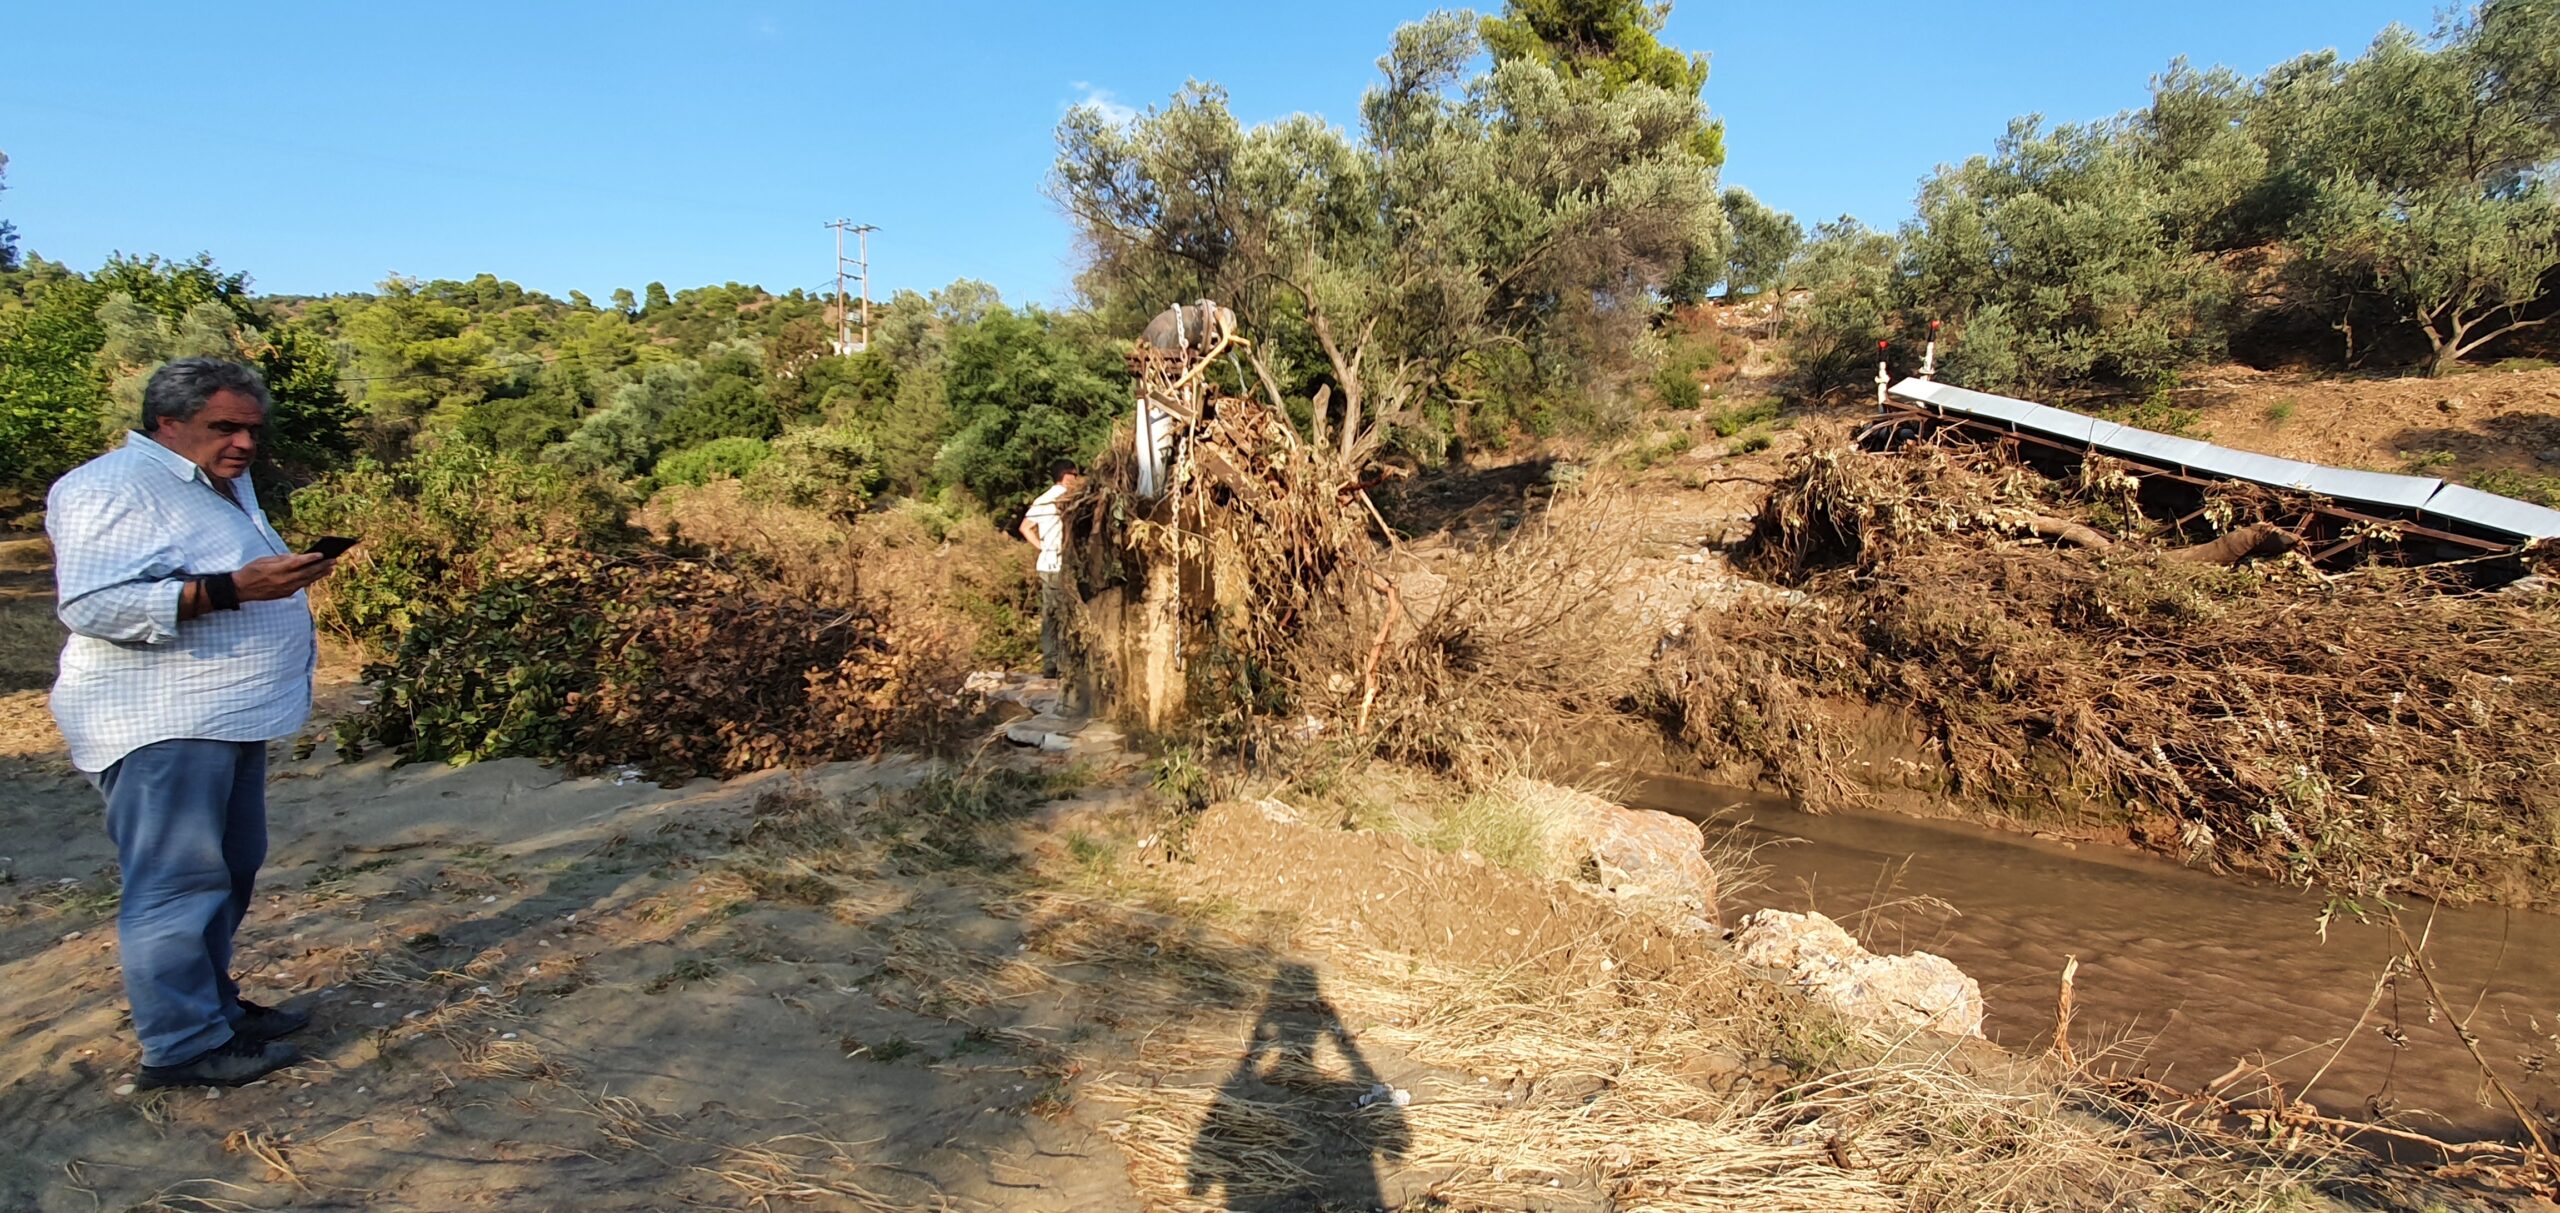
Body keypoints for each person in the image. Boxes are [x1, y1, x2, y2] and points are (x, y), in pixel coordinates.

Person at [48, 357, 340, 1089]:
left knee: (230, 867)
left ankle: (214, 1009)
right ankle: (181, 1046)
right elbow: (92, 606)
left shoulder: (221, 483)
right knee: (176, 884)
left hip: (222, 712)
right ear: (167, 421)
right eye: (224, 427)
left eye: (250, 428)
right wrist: (231, 589)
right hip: (157, 719)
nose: (243, 442)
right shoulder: (109, 487)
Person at [1018, 460, 1083, 681]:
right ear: (1067, 476)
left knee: (1050, 615)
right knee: (1068, 613)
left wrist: (1041, 546)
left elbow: (1025, 528)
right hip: (1064, 564)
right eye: (1075, 474)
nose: (1077, 478)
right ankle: (1068, 663)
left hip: (1047, 563)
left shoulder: (1041, 500)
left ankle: (1051, 664)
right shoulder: (1070, 498)